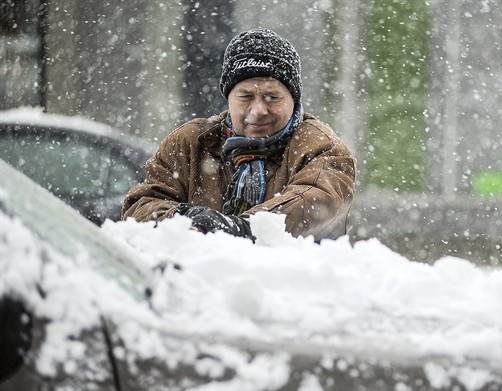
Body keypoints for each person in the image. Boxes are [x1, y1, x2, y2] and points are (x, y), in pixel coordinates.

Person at [122, 28, 356, 241]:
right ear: (229, 98)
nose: (258, 110)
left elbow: (316, 201)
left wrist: (239, 228)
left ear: (293, 100)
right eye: (245, 97)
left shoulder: (322, 147)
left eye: (272, 97)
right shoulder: (190, 142)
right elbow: (139, 207)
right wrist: (182, 217)